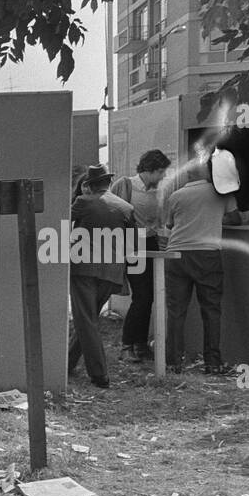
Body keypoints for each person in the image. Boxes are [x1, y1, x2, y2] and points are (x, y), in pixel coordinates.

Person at [164, 157, 244, 375]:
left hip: (176, 254)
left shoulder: (176, 196)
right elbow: (236, 219)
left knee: (176, 310)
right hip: (207, 255)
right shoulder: (222, 192)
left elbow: (170, 225)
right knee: (211, 310)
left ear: (188, 175)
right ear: (208, 174)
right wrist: (214, 219)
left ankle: (173, 362)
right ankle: (213, 363)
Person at [67, 163, 136, 390]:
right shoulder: (125, 207)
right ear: (108, 183)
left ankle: (100, 375)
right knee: (88, 319)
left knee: (86, 320)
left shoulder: (83, 202)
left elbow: (62, 224)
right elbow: (132, 242)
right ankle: (67, 363)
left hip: (84, 269)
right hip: (112, 272)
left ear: (89, 185)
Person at [110, 150, 171, 363]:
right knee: (142, 295)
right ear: (150, 169)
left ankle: (140, 343)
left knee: (149, 296)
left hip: (150, 242)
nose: (163, 176)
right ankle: (127, 344)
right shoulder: (125, 185)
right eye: (161, 171)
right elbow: (112, 214)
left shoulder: (159, 191)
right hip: (132, 244)